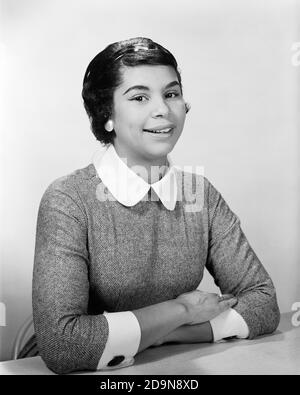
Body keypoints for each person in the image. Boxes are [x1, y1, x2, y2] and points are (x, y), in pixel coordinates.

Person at [29, 37, 280, 374]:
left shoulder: (199, 193)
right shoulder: (68, 200)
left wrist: (168, 335)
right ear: (107, 115)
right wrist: (179, 311)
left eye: (171, 93)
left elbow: (263, 303)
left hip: (173, 364)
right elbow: (63, 344)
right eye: (140, 97)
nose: (162, 109)